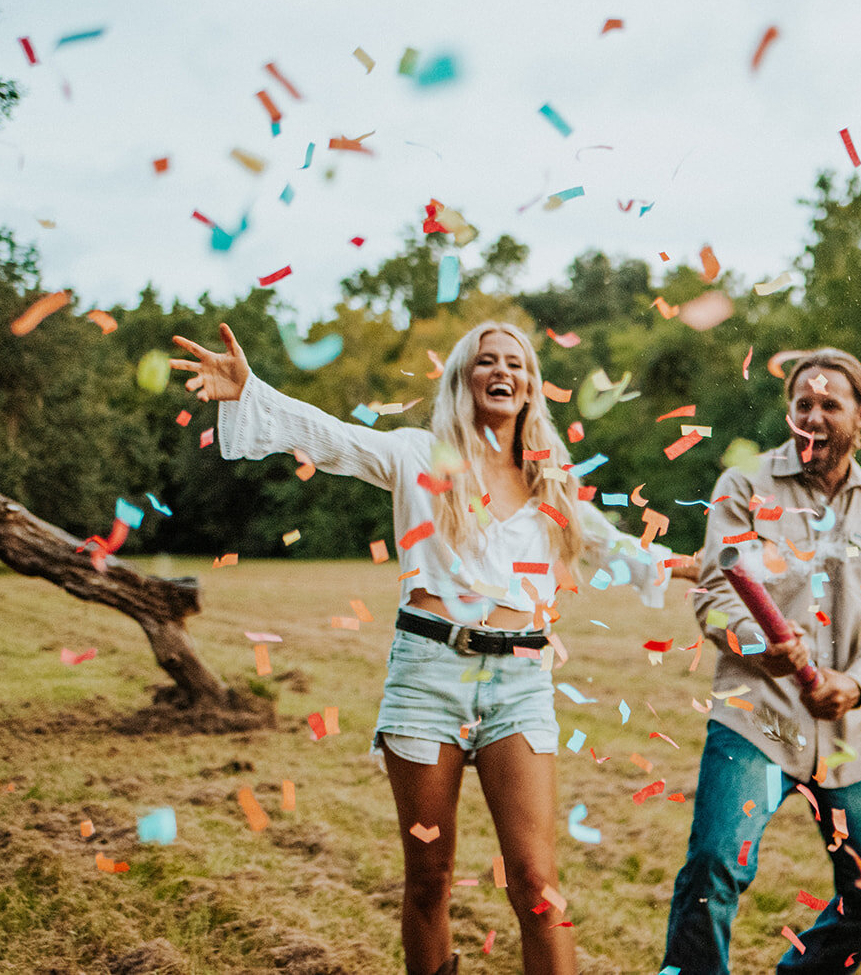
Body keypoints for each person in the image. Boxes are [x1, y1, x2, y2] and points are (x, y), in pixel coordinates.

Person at [171, 321, 681, 975]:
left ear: (529, 385)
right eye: (486, 361)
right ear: (464, 379)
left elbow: (612, 541)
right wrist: (251, 390)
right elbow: (333, 438)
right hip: (427, 677)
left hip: (519, 683)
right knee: (429, 879)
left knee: (534, 881)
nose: (503, 371)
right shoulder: (417, 455)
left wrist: (680, 565)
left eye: (516, 363)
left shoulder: (550, 480)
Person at [662, 348, 861, 973]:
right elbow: (715, 593)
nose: (813, 415)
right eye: (803, 403)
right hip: (757, 715)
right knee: (713, 871)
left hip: (845, 731)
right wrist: (759, 648)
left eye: (830, 404)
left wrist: (854, 685)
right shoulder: (744, 487)